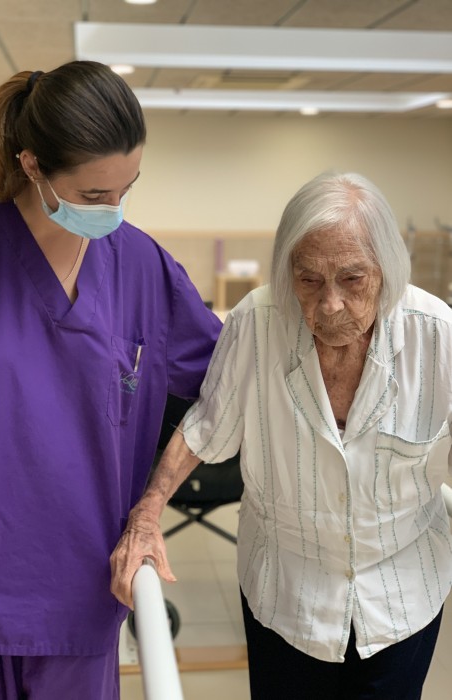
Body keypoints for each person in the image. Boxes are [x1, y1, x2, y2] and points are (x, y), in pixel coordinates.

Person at [0, 61, 222, 700]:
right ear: (33, 166)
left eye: (126, 189)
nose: (112, 211)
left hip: (87, 584)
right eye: (92, 195)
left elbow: (230, 384)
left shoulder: (141, 265)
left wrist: (153, 506)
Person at [111, 171, 452, 699]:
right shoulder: (258, 322)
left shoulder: (435, 333)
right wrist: (147, 514)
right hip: (286, 593)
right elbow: (207, 425)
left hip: (402, 590)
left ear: (387, 270)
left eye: (352, 279)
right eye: (308, 280)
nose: (330, 304)